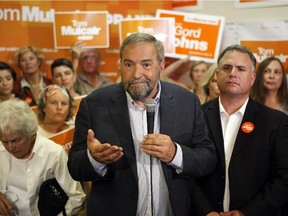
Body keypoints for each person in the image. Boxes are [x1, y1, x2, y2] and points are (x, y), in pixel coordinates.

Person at [68, 32, 216, 216]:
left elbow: (207, 158)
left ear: (161, 66)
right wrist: (94, 159)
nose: (137, 74)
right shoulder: (95, 104)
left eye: (146, 65)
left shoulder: (187, 101)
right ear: (120, 65)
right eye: (129, 64)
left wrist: (175, 154)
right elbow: (75, 166)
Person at [190, 45, 288, 216]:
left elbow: (283, 178)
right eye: (227, 67)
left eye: (241, 69)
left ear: (252, 78)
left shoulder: (276, 122)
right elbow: (186, 169)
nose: (233, 73)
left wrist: (246, 213)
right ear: (217, 74)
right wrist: (205, 211)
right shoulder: (195, 116)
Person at [0, 98, 85, 215]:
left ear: (30, 133)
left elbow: (76, 196)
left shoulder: (53, 153)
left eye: (16, 140)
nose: (10, 147)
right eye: (4, 141)